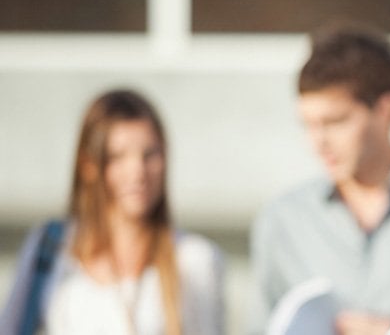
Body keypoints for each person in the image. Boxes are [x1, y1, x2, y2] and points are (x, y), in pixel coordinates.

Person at [248, 23, 390, 335]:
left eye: (335, 121)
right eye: (308, 125)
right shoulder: (282, 220)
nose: (317, 142)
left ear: (386, 110)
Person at [0, 89, 225, 335]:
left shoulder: (194, 260)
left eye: (150, 155)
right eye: (117, 157)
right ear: (89, 165)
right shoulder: (49, 247)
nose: (137, 172)